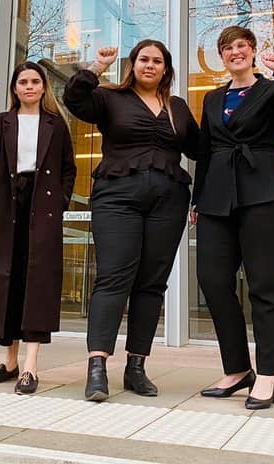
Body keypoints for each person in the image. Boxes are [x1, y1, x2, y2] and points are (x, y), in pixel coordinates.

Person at [63, 40, 199, 401]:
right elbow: (74, 100)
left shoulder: (177, 108)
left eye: (157, 61)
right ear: (133, 65)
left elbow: (202, 150)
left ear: (166, 69)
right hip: (117, 197)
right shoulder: (109, 98)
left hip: (168, 201)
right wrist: (95, 68)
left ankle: (136, 366)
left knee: (152, 283)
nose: (150, 65)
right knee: (114, 277)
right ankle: (97, 367)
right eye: (143, 59)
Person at [192, 26, 274, 411]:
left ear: (254, 52)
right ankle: (238, 369)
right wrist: (197, 200)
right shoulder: (212, 98)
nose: (234, 52)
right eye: (227, 48)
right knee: (212, 279)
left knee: (264, 285)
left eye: (241, 46)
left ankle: (267, 375)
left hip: (263, 195)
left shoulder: (271, 88)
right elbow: (205, 153)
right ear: (222, 57)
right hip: (217, 199)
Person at [0, 62, 77, 395]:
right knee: (9, 277)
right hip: (7, 204)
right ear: (15, 88)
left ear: (44, 87)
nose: (29, 87)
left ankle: (31, 364)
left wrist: (59, 203)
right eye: (23, 82)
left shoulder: (56, 124)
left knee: (38, 281)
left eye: (35, 82)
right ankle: (11, 360)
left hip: (42, 206)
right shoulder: (2, 121)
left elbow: (68, 169)